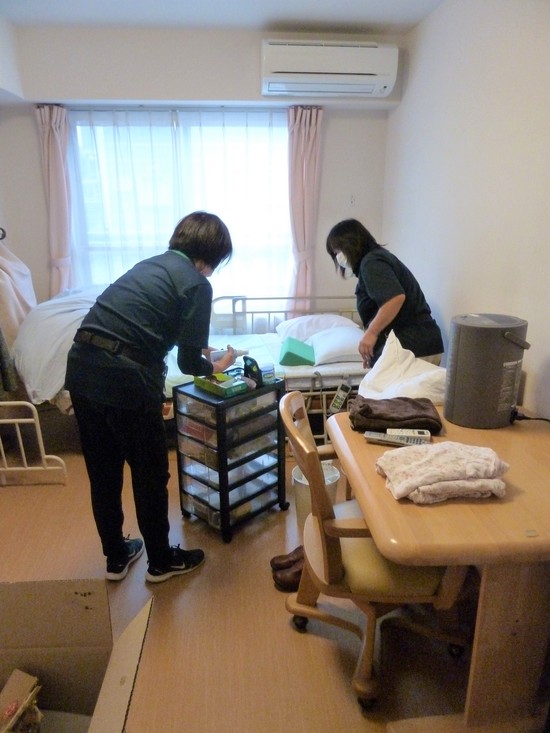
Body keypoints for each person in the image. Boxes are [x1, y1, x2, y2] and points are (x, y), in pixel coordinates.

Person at [65, 211, 237, 584]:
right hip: (126, 379)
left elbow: (145, 323)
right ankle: (161, 561)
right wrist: (216, 365)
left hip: (81, 367)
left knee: (103, 472)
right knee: (149, 472)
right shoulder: (196, 283)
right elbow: (188, 363)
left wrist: (198, 350)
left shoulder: (149, 266)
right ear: (210, 257)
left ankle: (115, 556)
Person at [326, 218, 443, 367]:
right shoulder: (374, 260)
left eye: (338, 251)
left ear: (351, 243)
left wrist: (371, 334)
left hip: (412, 345)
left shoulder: (372, 263)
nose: (338, 257)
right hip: (413, 344)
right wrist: (373, 348)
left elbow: (394, 298)